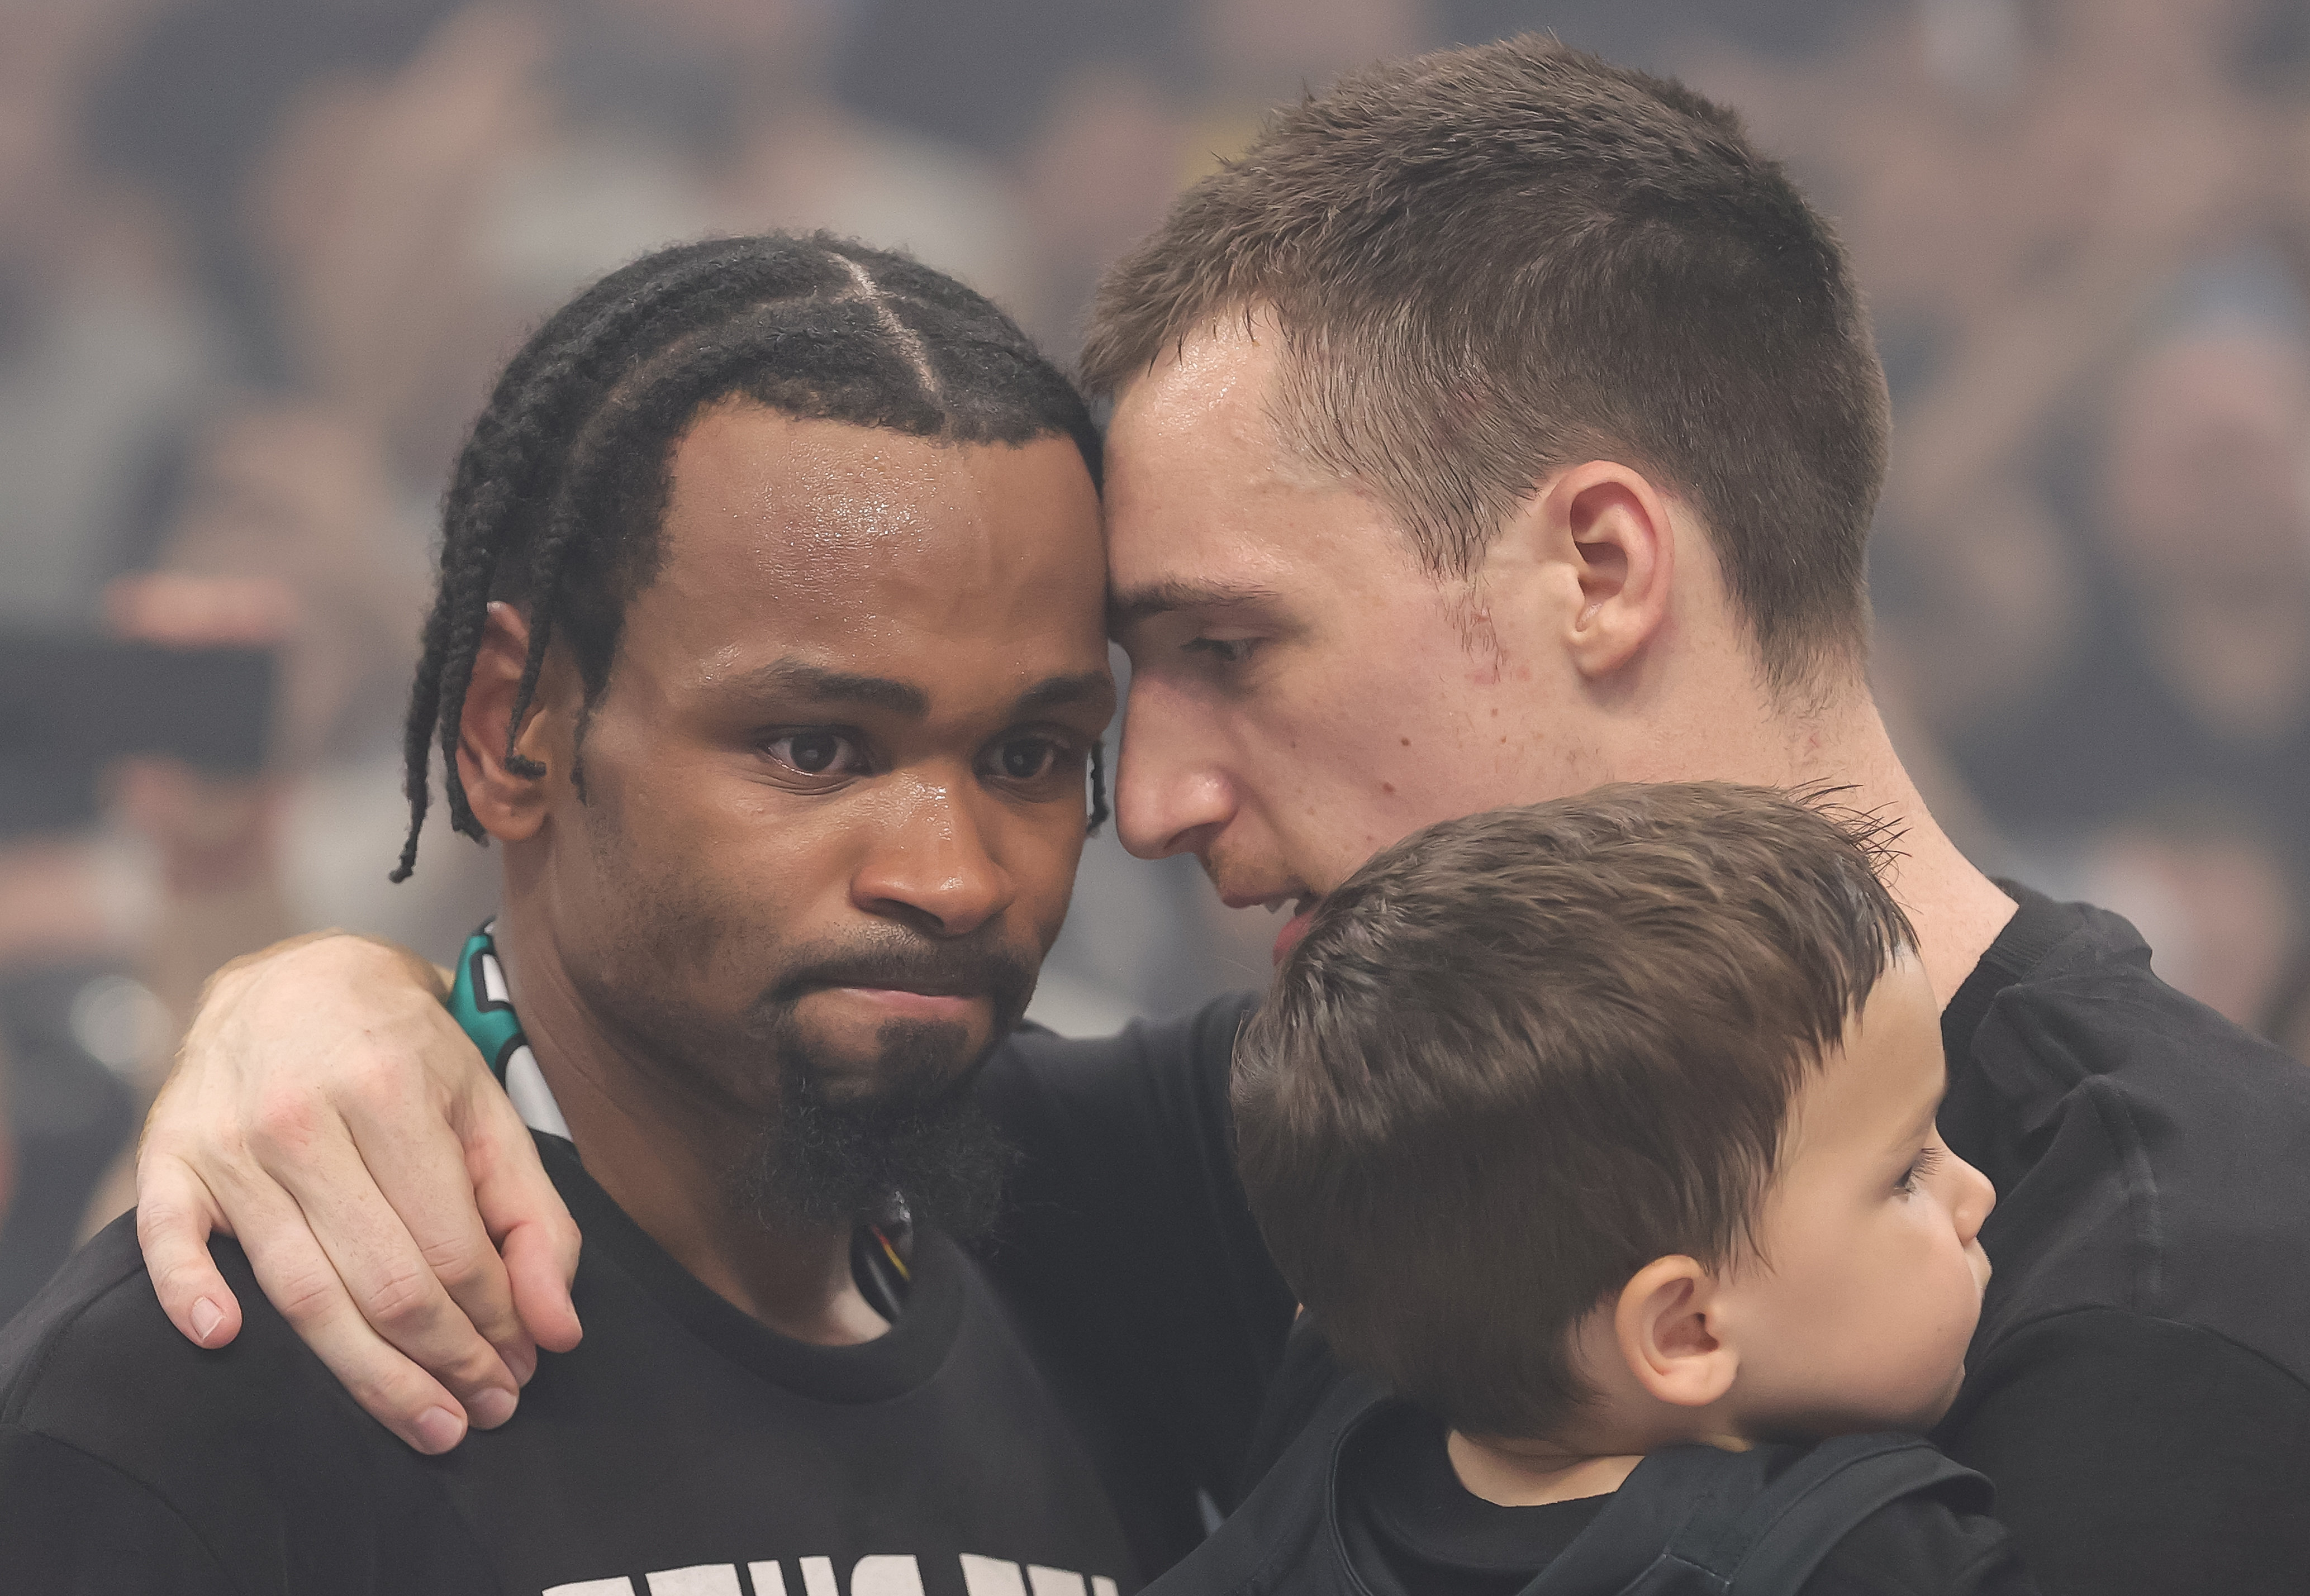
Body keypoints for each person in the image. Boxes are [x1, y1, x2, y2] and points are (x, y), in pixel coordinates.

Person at [121, 36, 2310, 1596]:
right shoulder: (1342, 1128)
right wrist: (325, 1007)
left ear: (1599, 572)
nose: (1147, 803)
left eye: (1232, 651)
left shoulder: (2171, 1306)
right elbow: (694, 1086)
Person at [0, 231, 1230, 1594]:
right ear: (509, 733)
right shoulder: (197, 1381)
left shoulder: (1123, 1242)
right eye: (815, 748)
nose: (955, 876)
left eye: (1028, 757)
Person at [1177, 783, 2030, 1595]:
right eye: (1906, 1171)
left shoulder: (1300, 1474)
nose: (1978, 1192)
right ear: (1683, 1330)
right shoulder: (1874, 1563)